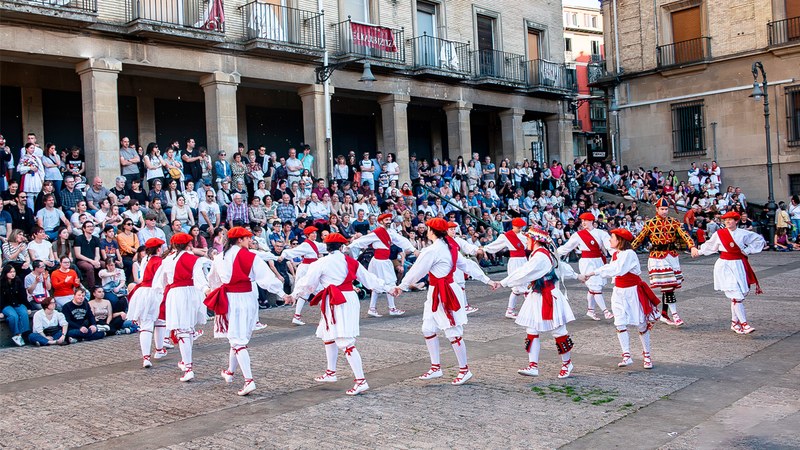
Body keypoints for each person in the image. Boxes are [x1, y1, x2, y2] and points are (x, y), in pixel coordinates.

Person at [396, 218, 498, 386]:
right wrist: (487, 280)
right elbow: (467, 265)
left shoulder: (433, 250)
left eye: (428, 228)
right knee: (428, 328)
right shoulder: (448, 247)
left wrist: (402, 285)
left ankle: (464, 369)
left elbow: (417, 270)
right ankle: (436, 366)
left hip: (445, 292)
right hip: (437, 291)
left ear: (431, 231)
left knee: (453, 331)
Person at [290, 232, 394, 395]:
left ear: (327, 246)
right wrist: (388, 288)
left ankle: (361, 381)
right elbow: (369, 279)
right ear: (341, 246)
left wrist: (294, 295)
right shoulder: (350, 261)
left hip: (336, 300)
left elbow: (307, 283)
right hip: (346, 299)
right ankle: (331, 372)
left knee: (345, 341)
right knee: (328, 334)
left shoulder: (321, 262)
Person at [205, 227, 287, 396]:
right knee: (237, 338)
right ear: (240, 240)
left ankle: (246, 379)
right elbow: (266, 279)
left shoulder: (219, 258)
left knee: (237, 339)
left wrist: (213, 291)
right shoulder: (251, 257)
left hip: (230, 299)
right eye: (247, 238)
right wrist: (282, 293)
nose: (250, 241)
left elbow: (212, 279)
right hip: (247, 298)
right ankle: (232, 373)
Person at [498, 227, 579, 378]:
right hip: (537, 294)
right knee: (532, 330)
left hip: (549, 295)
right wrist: (577, 276)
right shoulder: (540, 254)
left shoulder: (540, 256)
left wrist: (503, 282)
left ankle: (567, 364)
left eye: (528, 238)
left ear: (534, 240)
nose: (526, 241)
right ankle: (533, 365)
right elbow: (560, 267)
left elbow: (525, 272)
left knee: (558, 331)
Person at [582, 229, 660, 369]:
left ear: (620, 240)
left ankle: (647, 356)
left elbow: (617, 269)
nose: (610, 240)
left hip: (632, 292)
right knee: (619, 322)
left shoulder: (629, 254)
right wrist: (592, 273)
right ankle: (626, 355)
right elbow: (611, 267)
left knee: (640, 323)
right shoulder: (617, 254)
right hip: (619, 291)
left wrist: (595, 272)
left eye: (612, 237)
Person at [631, 197, 699, 327]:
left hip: (671, 256)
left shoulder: (674, 222)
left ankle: (664, 313)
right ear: (656, 209)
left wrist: (692, 246)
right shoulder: (650, 223)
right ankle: (675, 314)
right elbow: (639, 239)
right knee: (668, 286)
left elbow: (684, 234)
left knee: (669, 287)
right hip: (658, 257)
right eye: (662, 209)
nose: (664, 211)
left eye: (666, 209)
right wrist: (627, 250)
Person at [695, 211, 766, 334]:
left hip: (739, 264)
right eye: (725, 220)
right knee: (736, 294)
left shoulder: (743, 233)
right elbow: (710, 246)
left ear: (736, 221)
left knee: (740, 294)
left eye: (730, 220)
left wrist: (747, 250)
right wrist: (699, 252)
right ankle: (744, 324)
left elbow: (759, 240)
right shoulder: (720, 234)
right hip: (725, 265)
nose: (727, 222)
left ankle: (734, 323)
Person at [152, 233, 209, 382]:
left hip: (177, 294)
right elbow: (199, 278)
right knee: (188, 329)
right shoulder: (194, 259)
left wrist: (158, 294)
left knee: (182, 330)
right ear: (188, 244)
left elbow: (159, 281)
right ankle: (185, 363)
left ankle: (188, 367)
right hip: (193, 293)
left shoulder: (167, 260)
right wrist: (206, 290)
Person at [349, 213, 417, 317]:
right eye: (386, 220)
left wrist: (413, 249)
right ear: (381, 222)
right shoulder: (377, 232)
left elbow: (401, 240)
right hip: (379, 262)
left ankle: (373, 308)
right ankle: (391, 308)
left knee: (379, 284)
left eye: (390, 219)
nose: (389, 221)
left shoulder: (391, 232)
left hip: (384, 261)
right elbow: (363, 240)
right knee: (388, 283)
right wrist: (349, 246)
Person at [555, 212, 613, 321]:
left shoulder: (601, 233)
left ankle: (590, 310)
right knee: (595, 286)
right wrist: (554, 254)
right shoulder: (578, 235)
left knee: (594, 287)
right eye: (582, 221)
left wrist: (616, 253)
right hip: (586, 262)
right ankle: (606, 311)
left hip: (598, 261)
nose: (583, 223)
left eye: (585, 220)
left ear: (592, 221)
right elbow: (567, 247)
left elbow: (609, 245)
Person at [127, 238, 169, 368]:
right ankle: (159, 349)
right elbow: (164, 280)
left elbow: (141, 277)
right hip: (154, 292)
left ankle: (147, 356)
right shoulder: (160, 262)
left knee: (147, 323)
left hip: (143, 291)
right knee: (159, 320)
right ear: (158, 249)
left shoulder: (145, 259)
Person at [482, 217, 530, 319]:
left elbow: (528, 245)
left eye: (521, 227)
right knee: (521, 286)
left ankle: (510, 310)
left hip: (523, 260)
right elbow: (496, 245)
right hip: (515, 261)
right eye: (518, 227)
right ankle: (530, 310)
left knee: (520, 287)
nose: (520, 229)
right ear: (513, 226)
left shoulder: (523, 235)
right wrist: (484, 249)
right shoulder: (506, 236)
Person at [280, 226, 326, 325]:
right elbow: (293, 252)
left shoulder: (315, 244)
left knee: (305, 293)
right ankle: (325, 315)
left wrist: (337, 245)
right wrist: (284, 255)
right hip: (307, 269)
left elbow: (325, 247)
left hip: (312, 268)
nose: (315, 234)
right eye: (312, 233)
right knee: (319, 291)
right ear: (307, 235)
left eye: (315, 233)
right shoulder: (305, 245)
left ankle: (297, 315)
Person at [447, 221, 483, 314]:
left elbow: (467, 246)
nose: (453, 231)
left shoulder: (457, 240)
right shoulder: (442, 241)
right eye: (451, 229)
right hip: (447, 266)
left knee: (460, 284)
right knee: (450, 286)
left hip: (457, 264)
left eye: (454, 229)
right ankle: (453, 306)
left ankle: (464, 306)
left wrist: (476, 249)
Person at [1, 264, 32, 346]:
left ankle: (25, 333)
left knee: (24, 313)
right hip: (5, 305)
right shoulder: (1, 282)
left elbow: (22, 295)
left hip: (17, 303)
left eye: (14, 272)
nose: (13, 274)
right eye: (10, 272)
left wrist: (28, 306)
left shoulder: (18, 281)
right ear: (6, 273)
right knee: (13, 316)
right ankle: (17, 335)